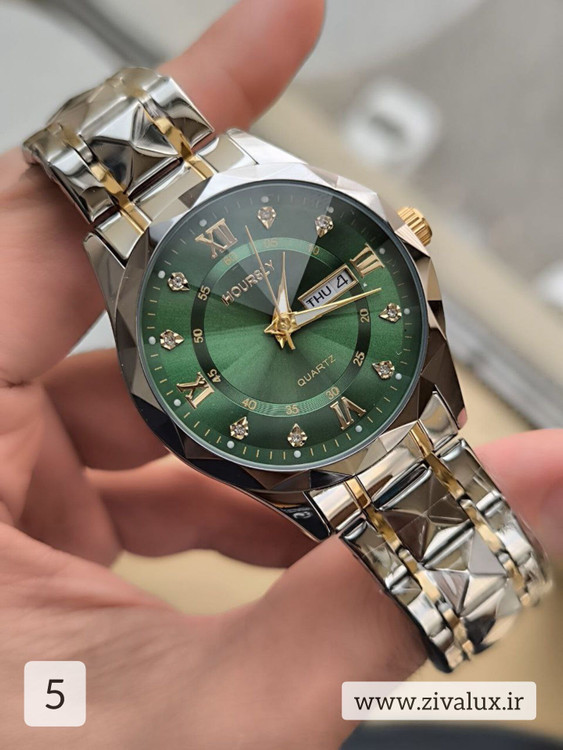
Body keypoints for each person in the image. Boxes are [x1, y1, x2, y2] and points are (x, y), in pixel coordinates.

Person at [0, 0, 560, 746]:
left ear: (406, 245)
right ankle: (485, 597)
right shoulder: (143, 298)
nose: (281, 326)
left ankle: (492, 593)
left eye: (285, 319)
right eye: (273, 327)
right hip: (325, 450)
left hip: (384, 412)